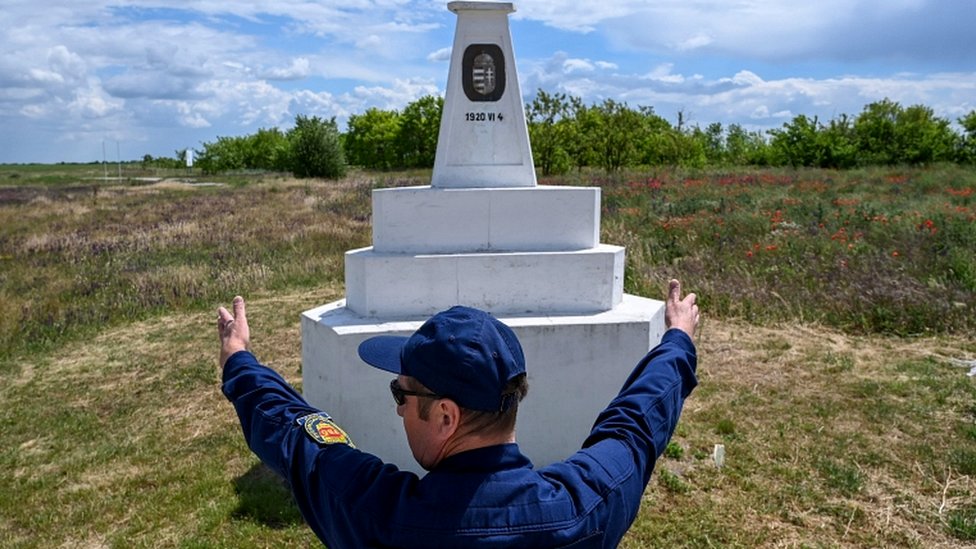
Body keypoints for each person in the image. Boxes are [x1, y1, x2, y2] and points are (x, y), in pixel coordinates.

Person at [217, 279, 700, 548]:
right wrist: (676, 339)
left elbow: (297, 436)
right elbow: (635, 425)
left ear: (446, 416)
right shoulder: (585, 506)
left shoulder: (378, 518)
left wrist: (240, 360)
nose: (399, 410)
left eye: (400, 395)